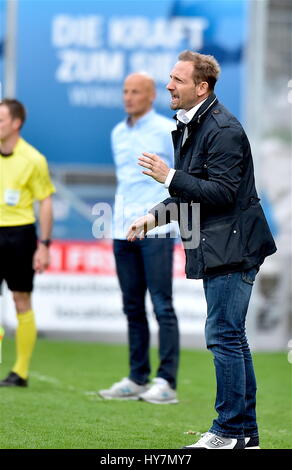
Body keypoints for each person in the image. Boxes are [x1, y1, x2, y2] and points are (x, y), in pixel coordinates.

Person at [127, 52, 276, 447]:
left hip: (233, 245)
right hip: (218, 243)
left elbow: (222, 194)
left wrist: (169, 176)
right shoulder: (194, 124)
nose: (169, 85)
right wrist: (153, 218)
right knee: (231, 337)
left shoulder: (222, 128)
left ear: (201, 87)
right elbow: (193, 193)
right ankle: (245, 435)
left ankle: (227, 432)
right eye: (170, 77)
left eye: (177, 79)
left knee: (224, 336)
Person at [98, 73, 180, 404]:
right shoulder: (118, 132)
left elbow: (181, 177)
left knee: (162, 305)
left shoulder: (166, 130)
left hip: (157, 229)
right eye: (125, 91)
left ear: (150, 96)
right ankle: (137, 377)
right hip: (121, 229)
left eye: (136, 91)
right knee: (132, 305)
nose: (128, 97)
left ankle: (166, 381)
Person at [0, 98, 55, 387]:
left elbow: (45, 202)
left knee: (21, 300)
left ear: (16, 123)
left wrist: (44, 244)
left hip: (19, 235)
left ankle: (20, 371)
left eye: (1, 119)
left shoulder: (33, 159)